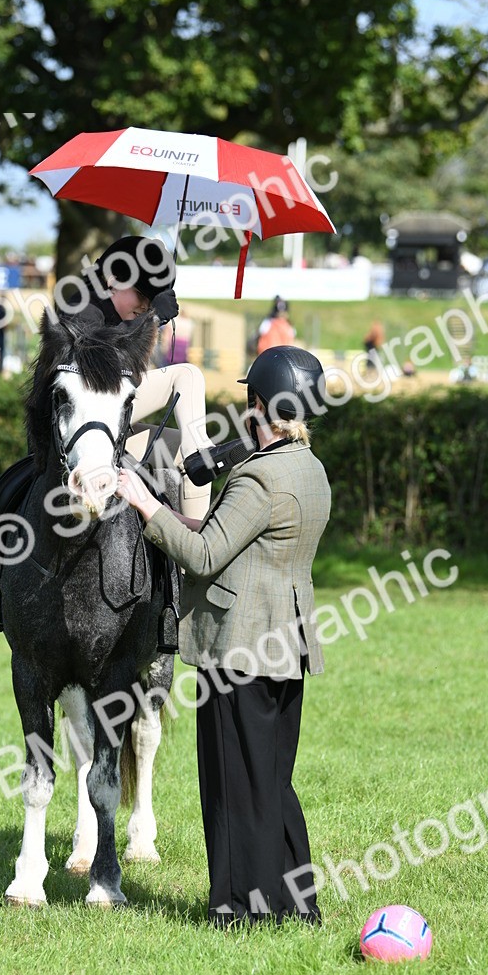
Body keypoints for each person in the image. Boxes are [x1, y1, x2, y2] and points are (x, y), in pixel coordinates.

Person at [117, 346, 331, 927]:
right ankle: (294, 903)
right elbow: (235, 537)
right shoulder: (308, 470)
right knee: (270, 780)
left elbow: (207, 554)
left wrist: (142, 504)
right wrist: (171, 514)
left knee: (232, 784)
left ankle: (239, 907)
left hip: (239, 646)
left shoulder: (259, 476)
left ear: (259, 403)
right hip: (286, 642)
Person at [67, 235, 214, 521]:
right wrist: (148, 321)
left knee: (188, 456)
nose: (146, 304)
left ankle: (195, 551)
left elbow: (132, 377)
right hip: (85, 431)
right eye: (143, 296)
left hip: (115, 421)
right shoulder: (80, 306)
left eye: (151, 300)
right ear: (113, 279)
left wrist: (147, 320)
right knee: (186, 372)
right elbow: (104, 375)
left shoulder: (121, 309)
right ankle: (199, 451)